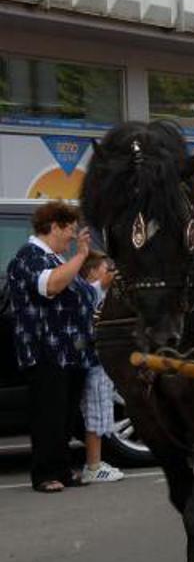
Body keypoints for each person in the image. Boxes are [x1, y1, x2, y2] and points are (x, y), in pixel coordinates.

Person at [6, 201, 98, 492]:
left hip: (70, 352)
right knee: (48, 414)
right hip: (46, 350)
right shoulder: (29, 256)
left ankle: (62, 471)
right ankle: (45, 475)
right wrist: (82, 255)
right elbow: (51, 286)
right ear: (54, 226)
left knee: (65, 415)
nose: (72, 237)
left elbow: (82, 293)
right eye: (70, 230)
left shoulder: (57, 259)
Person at [78, 252, 125, 484]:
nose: (111, 273)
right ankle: (93, 466)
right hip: (93, 362)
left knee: (103, 410)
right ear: (93, 272)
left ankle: (97, 462)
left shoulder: (100, 293)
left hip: (102, 361)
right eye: (107, 269)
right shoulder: (89, 291)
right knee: (95, 412)